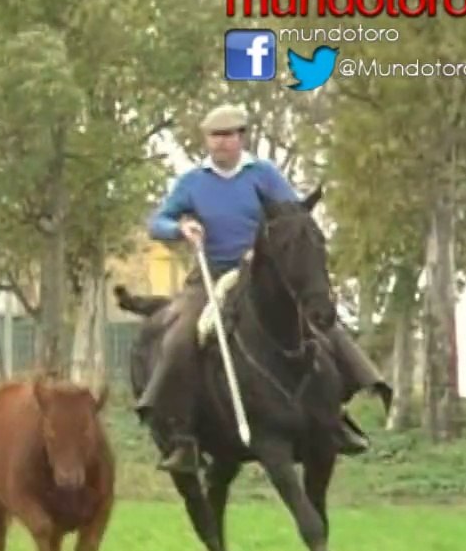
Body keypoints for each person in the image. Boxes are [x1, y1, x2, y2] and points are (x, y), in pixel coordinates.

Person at [135, 104, 390, 474]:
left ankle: (342, 411)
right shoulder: (192, 181)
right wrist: (181, 230)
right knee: (182, 332)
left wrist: (267, 247)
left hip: (260, 272)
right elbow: (157, 222)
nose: (222, 143)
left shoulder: (264, 175)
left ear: (242, 137)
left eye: (230, 135)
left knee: (319, 322)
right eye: (215, 136)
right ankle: (178, 432)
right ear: (206, 140)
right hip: (211, 274)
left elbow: (292, 215)